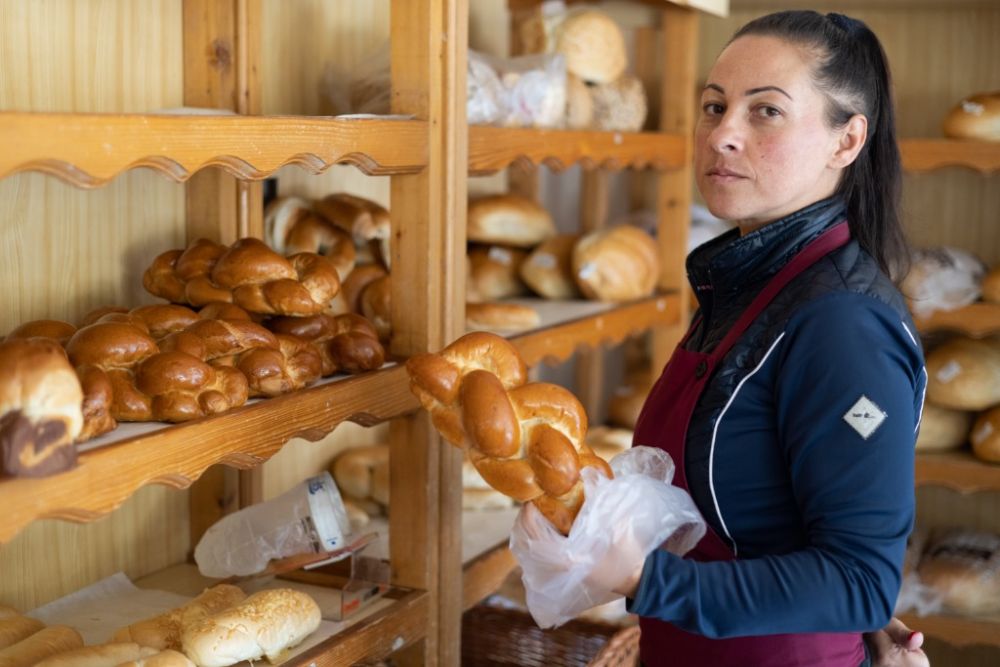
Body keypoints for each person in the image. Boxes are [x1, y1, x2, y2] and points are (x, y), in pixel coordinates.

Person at [607, 10, 929, 667]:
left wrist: (648, 579)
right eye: (714, 105)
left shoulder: (842, 323)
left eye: (766, 112)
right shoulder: (752, 282)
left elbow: (861, 580)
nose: (723, 134)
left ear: (847, 141)